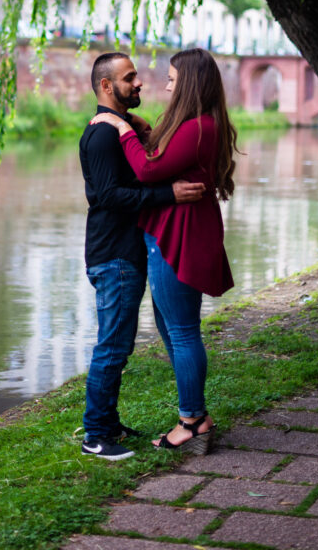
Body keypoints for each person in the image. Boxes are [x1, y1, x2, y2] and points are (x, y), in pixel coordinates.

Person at [91, 47, 236, 455]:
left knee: (183, 330)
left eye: (172, 78)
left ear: (188, 82)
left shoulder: (197, 127)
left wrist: (121, 130)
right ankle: (197, 415)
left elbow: (149, 168)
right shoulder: (199, 125)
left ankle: (191, 421)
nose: (166, 84)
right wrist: (139, 125)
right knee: (173, 326)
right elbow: (166, 156)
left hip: (181, 235)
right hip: (180, 230)